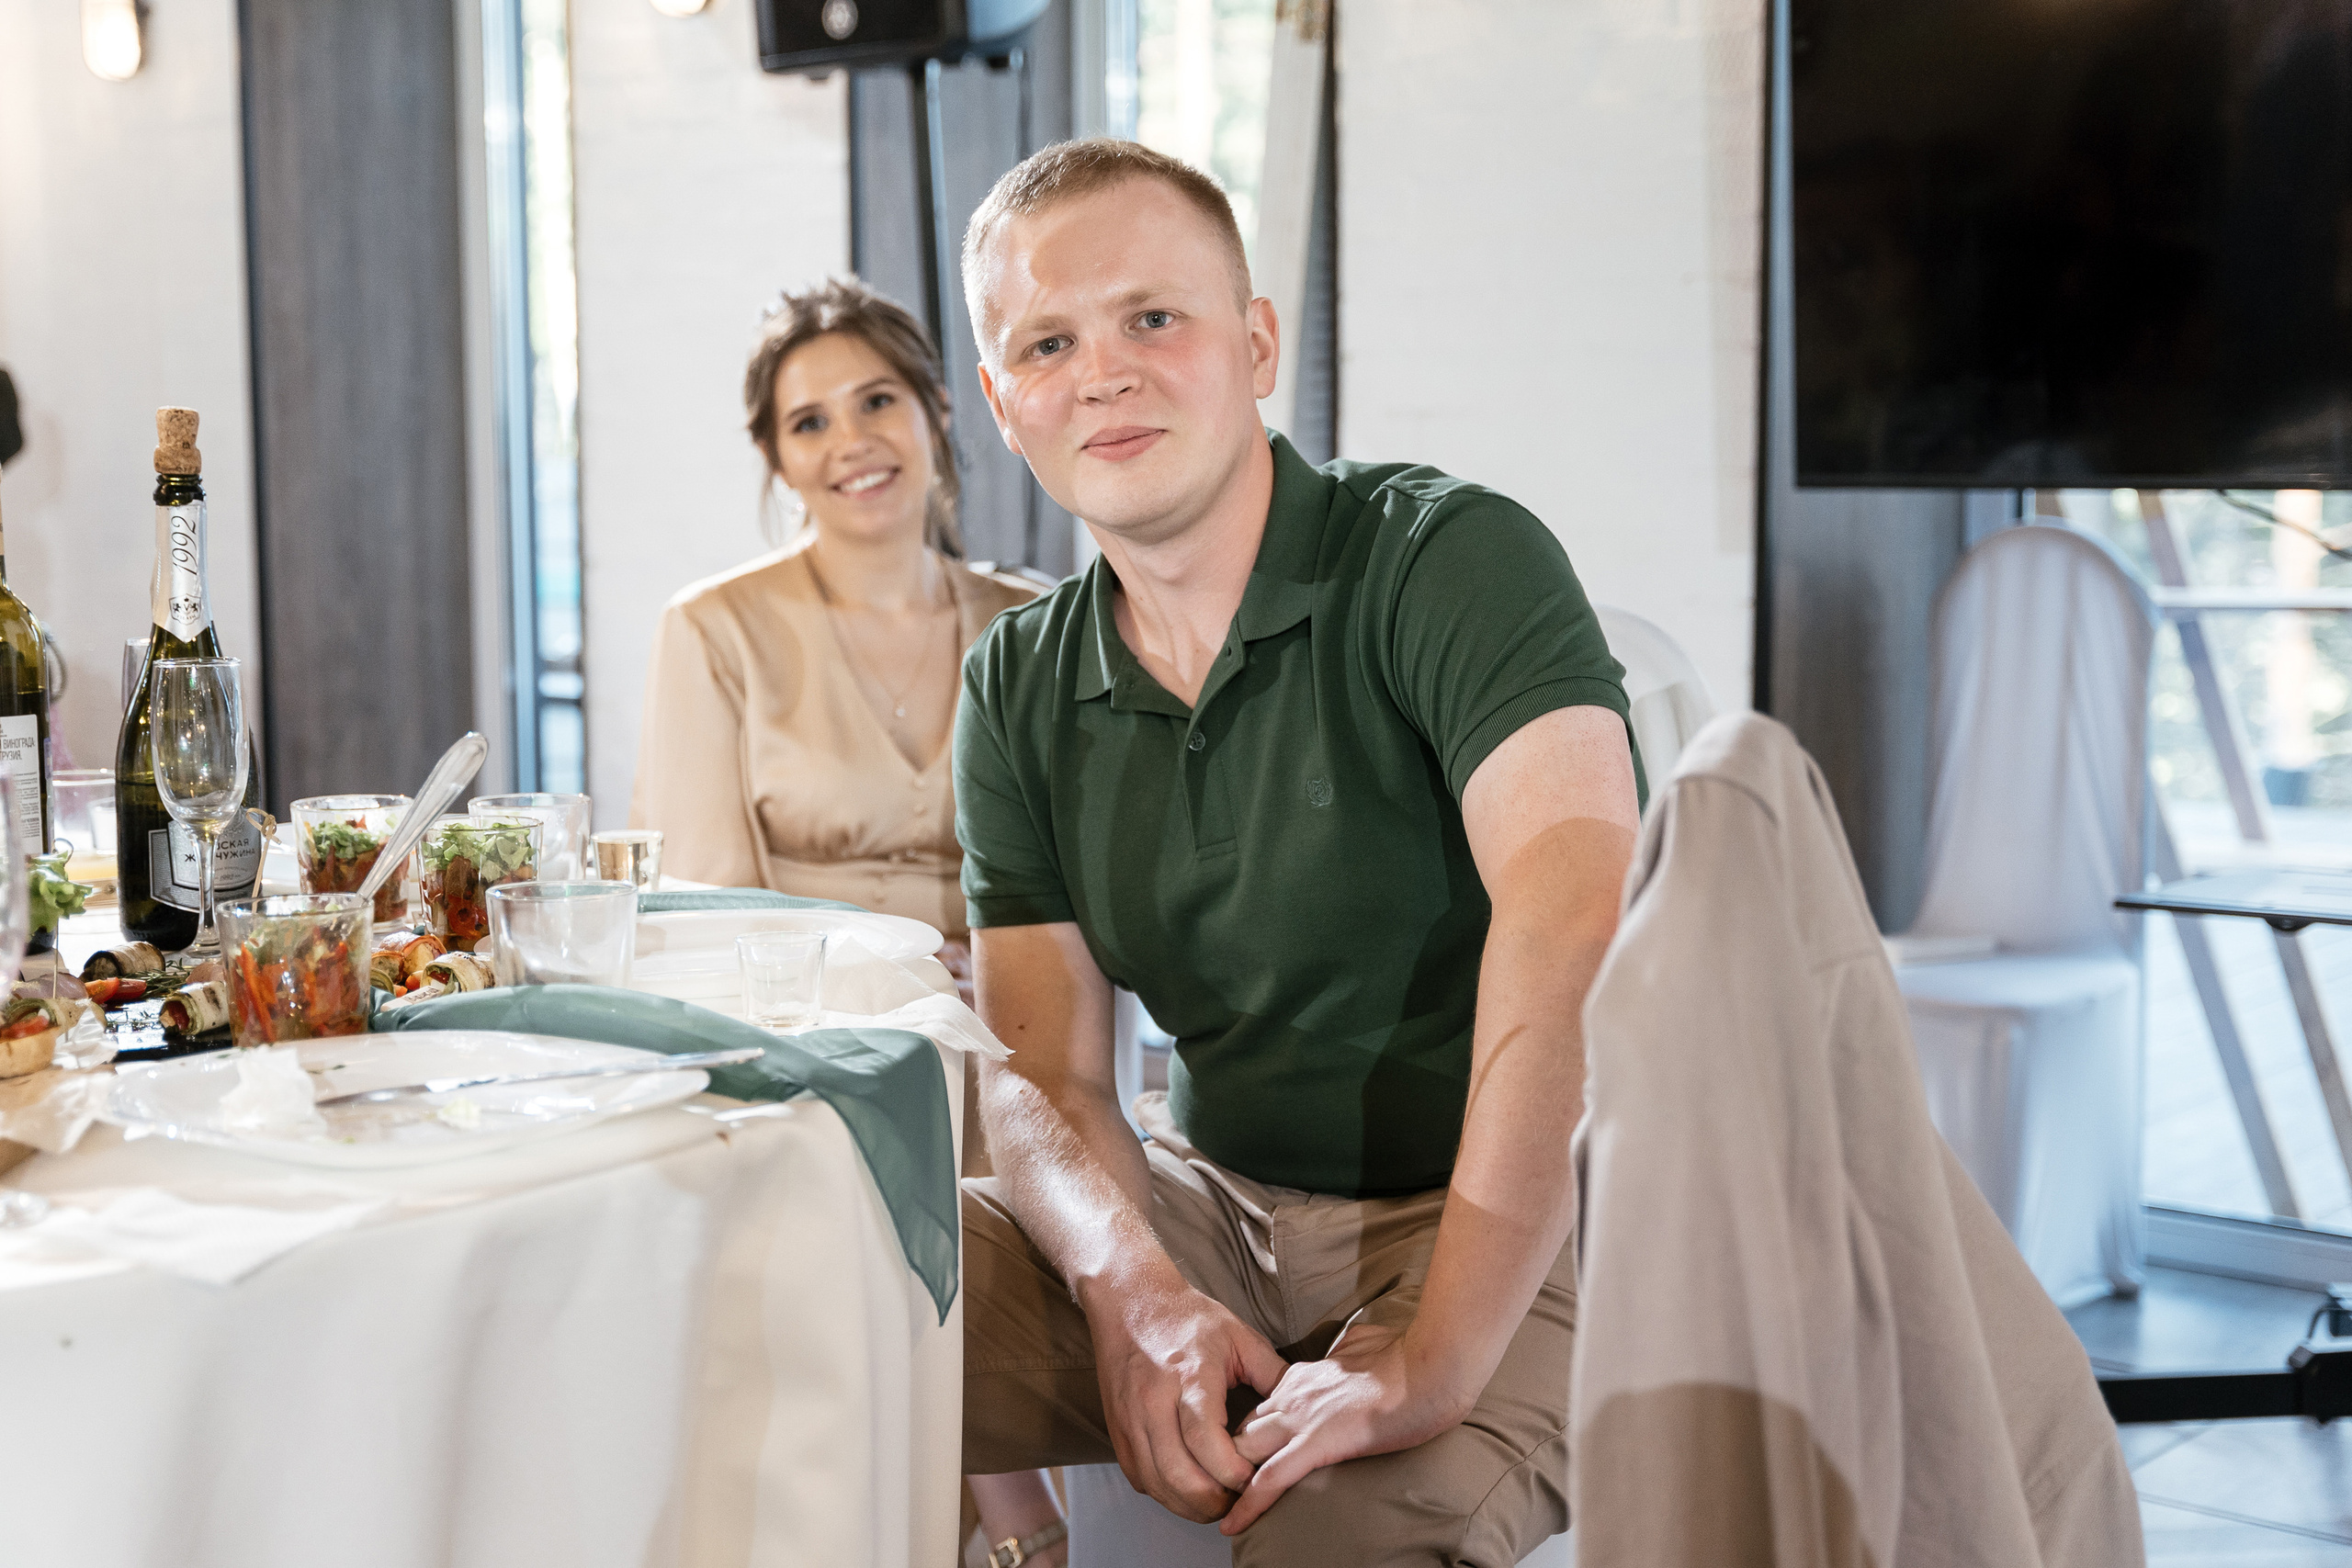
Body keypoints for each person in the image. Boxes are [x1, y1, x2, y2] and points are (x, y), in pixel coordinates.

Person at [952, 139, 1642, 1565]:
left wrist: (1435, 1353)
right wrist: (1130, 1286)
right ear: (1005, 405)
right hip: (1213, 1208)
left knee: (1329, 1543)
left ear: (1256, 343)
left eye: (1155, 316)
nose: (1104, 371)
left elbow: (1575, 927)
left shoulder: (1448, 557)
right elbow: (1045, 1068)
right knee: (811, 1302)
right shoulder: (1014, 682)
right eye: (1049, 342)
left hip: (1511, 1213)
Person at [630, 277, 1037, 986]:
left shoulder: (1034, 624)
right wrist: (882, 962)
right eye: (810, 422)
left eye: (877, 401)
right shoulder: (710, 630)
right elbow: (703, 906)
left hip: (1018, 1020)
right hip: (807, 1029)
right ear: (776, 458)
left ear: (936, 409)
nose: (852, 442)